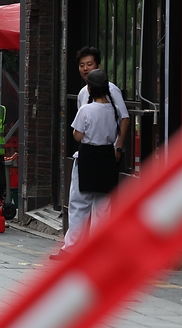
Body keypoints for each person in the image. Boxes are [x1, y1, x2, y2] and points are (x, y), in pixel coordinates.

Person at [52, 47, 130, 260]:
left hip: (98, 152)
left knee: (86, 203)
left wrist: (118, 147)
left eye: (90, 64)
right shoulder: (82, 94)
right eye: (82, 65)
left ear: (99, 66)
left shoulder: (111, 90)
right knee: (94, 205)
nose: (85, 69)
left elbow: (124, 118)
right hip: (100, 154)